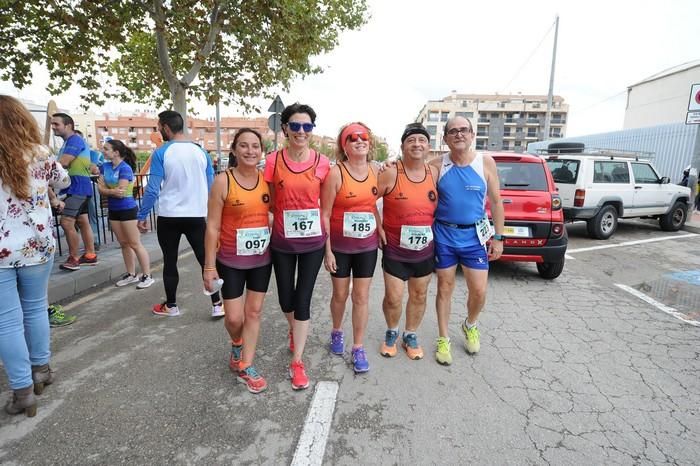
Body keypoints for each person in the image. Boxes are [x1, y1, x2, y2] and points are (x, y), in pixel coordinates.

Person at [0, 95, 71, 416]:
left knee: (6, 322)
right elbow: (64, 179)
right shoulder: (40, 153)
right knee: (35, 309)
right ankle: (41, 369)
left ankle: (22, 391)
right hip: (37, 244)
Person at [264, 103, 331, 390]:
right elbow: (268, 201)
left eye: (307, 127)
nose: (301, 131)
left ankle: (298, 361)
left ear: (312, 131)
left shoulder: (323, 163)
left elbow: (326, 210)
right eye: (295, 126)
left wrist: (329, 248)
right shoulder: (272, 161)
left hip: (313, 243)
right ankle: (294, 329)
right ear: (285, 129)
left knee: (302, 300)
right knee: (285, 300)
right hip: (281, 242)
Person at [429, 116, 504, 365]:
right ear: (446, 138)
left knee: (479, 291)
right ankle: (443, 338)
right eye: (453, 131)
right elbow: (412, 173)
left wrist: (499, 238)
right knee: (444, 287)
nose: (459, 134)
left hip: (474, 236)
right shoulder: (438, 165)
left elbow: (496, 202)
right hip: (444, 235)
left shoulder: (486, 163)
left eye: (464, 130)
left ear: (472, 135)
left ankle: (470, 324)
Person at [204, 128, 272, 393]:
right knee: (234, 318)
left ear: (261, 151)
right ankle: (236, 343)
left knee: (253, 312)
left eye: (255, 146)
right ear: (234, 150)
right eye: (243, 146)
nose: (250, 151)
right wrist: (209, 266)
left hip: (261, 260)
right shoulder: (223, 181)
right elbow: (212, 226)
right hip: (230, 259)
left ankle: (247, 364)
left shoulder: (267, 181)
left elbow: (277, 211)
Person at [137, 110, 222, 317]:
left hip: (169, 217)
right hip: (197, 215)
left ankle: (172, 306)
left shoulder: (161, 153)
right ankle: (217, 305)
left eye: (159, 127)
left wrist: (142, 215)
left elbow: (153, 189)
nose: (159, 130)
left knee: (170, 261)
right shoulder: (201, 152)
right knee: (206, 260)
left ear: (166, 127)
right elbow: (212, 188)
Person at [321, 122, 381, 373]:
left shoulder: (378, 170)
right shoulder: (336, 173)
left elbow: (374, 205)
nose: (359, 141)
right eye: (352, 138)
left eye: (363, 137)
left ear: (370, 142)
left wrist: (382, 228)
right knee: (341, 295)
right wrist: (328, 250)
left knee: (362, 296)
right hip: (340, 246)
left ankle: (358, 346)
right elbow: (324, 214)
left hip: (367, 245)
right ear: (344, 146)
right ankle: (337, 331)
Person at [376, 123, 438, 360]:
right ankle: (392, 331)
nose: (416, 144)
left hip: (424, 249)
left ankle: (410, 334)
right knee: (393, 297)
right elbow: (367, 199)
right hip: (395, 248)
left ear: (428, 147)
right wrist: (378, 225)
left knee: (419, 295)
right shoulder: (391, 171)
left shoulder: (434, 172)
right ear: (402, 146)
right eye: (411, 140)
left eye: (421, 140)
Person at [98, 139, 154, 289]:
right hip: (113, 210)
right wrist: (111, 191)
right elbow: (101, 189)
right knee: (123, 244)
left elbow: (121, 192)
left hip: (128, 210)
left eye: (106, 149)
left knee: (135, 243)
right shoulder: (105, 167)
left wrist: (107, 190)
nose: (103, 151)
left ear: (116, 152)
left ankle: (147, 275)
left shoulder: (125, 168)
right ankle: (131, 274)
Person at [51, 113, 99, 271]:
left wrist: (43, 167)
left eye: (56, 124)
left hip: (77, 187)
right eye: (52, 124)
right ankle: (90, 255)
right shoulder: (68, 142)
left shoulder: (74, 140)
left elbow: (63, 163)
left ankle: (74, 259)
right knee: (83, 221)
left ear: (68, 125)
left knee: (66, 222)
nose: (53, 127)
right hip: (78, 187)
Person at [74, 129, 102, 251]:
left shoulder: (92, 153)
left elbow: (94, 169)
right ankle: (87, 243)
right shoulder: (69, 154)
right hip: (75, 188)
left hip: (89, 185)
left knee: (92, 214)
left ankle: (95, 241)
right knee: (78, 217)